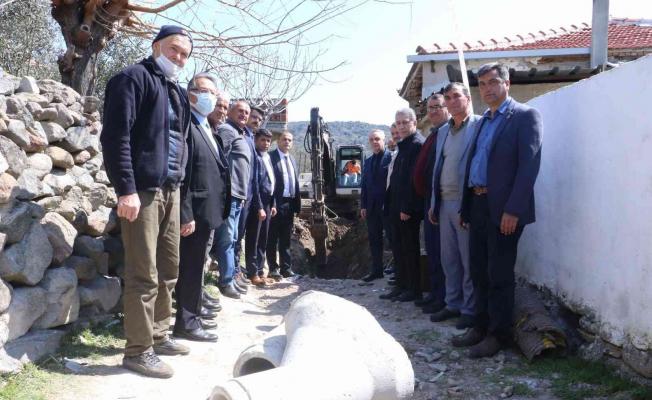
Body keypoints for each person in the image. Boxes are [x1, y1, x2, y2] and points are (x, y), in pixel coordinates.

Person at [101, 25, 193, 378]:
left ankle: (158, 333)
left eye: (184, 54)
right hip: (142, 191)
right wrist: (126, 189)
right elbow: (116, 137)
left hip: (172, 190)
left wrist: (182, 199)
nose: (179, 58)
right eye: (173, 49)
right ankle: (138, 351)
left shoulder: (176, 91)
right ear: (156, 47)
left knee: (169, 270)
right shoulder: (131, 79)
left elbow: (181, 145)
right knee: (144, 273)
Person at [453, 62, 543, 358]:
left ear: (507, 83)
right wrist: (466, 207)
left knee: (499, 274)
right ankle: (480, 327)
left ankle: (498, 335)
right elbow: (474, 166)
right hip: (478, 204)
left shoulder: (525, 116)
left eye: (492, 82)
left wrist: (513, 210)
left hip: (504, 210)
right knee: (478, 270)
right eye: (482, 84)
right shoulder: (484, 122)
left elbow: (528, 168)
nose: (487, 89)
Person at [173, 73, 230, 343]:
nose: (211, 97)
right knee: (191, 268)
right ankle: (187, 323)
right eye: (205, 91)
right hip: (194, 212)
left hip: (209, 211)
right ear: (191, 93)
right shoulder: (187, 125)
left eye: (214, 93)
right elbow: (182, 174)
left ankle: (192, 314)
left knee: (197, 267)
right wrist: (185, 213)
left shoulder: (207, 127)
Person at [428, 83, 481, 330]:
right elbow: (437, 169)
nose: (452, 101)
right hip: (443, 203)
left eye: (456, 96)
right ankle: (453, 304)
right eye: (448, 98)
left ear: (467, 98)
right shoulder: (443, 132)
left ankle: (470, 309)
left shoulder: (479, 125)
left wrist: (470, 205)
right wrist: (434, 202)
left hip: (465, 203)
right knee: (449, 259)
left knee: (468, 260)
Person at [380, 108, 424, 302]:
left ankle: (413, 289)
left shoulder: (416, 145)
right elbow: (396, 179)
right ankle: (401, 285)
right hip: (396, 208)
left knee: (409, 249)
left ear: (414, 122)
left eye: (405, 122)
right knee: (398, 248)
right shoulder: (403, 146)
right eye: (399, 123)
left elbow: (413, 180)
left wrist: (407, 207)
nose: (402, 126)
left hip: (407, 210)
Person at [210, 100, 253, 299]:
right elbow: (218, 159)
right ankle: (226, 281)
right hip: (229, 195)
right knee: (227, 239)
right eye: (240, 111)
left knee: (233, 238)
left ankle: (231, 277)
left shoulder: (240, 133)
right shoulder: (227, 130)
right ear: (230, 112)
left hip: (238, 196)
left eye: (247, 112)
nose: (244, 115)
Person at [413, 93, 449, 314]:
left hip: (442, 202)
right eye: (430, 108)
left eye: (437, 107)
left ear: (447, 108)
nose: (433, 111)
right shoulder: (433, 135)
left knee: (443, 253)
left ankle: (444, 298)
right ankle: (435, 294)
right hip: (430, 201)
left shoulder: (448, 134)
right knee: (433, 251)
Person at [245, 128, 277, 286]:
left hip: (268, 204)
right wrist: (259, 207)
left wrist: (273, 204)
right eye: (263, 140)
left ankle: (260, 271)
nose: (266, 143)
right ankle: (252, 273)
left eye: (268, 141)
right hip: (257, 205)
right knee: (254, 239)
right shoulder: (255, 157)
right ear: (256, 140)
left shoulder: (267, 157)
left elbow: (272, 181)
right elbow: (255, 184)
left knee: (263, 239)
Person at [267, 131, 301, 280]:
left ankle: (286, 269)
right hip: (276, 203)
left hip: (289, 204)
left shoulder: (292, 159)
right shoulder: (271, 157)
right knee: (272, 238)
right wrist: (271, 203)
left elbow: (295, 183)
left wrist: (297, 205)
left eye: (289, 140)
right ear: (278, 141)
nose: (287, 142)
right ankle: (273, 269)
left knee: (286, 238)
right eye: (284, 139)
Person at [359, 129, 391, 282]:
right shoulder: (368, 161)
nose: (374, 142)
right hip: (371, 208)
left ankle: (399, 272)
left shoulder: (391, 158)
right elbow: (364, 185)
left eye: (377, 139)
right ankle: (377, 270)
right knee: (374, 240)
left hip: (387, 207)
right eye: (371, 139)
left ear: (384, 140)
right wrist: (363, 205)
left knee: (393, 239)